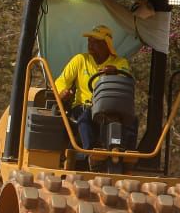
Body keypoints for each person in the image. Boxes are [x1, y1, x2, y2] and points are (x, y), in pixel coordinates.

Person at [53, 24, 131, 154]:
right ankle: (91, 154)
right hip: (84, 107)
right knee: (85, 117)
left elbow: (127, 77)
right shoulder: (80, 60)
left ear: (107, 44)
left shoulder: (120, 63)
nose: (91, 44)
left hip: (112, 109)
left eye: (96, 42)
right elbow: (61, 81)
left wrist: (116, 72)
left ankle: (124, 155)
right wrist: (62, 92)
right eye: (90, 41)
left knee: (132, 120)